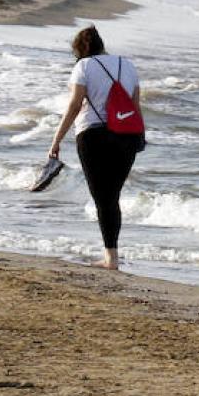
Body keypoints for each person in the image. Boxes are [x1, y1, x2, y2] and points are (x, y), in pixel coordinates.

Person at [44, 25, 142, 271]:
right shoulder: (127, 65)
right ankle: (112, 255)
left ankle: (111, 259)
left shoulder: (83, 67)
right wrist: (140, 137)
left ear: (81, 50)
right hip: (127, 136)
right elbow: (135, 105)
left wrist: (56, 140)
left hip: (94, 136)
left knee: (103, 198)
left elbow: (75, 104)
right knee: (112, 197)